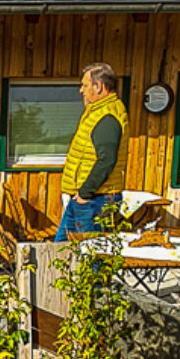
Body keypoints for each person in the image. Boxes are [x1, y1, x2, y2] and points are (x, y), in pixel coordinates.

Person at [55, 62, 129, 240]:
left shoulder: (108, 116)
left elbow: (107, 160)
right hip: (86, 199)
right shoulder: (96, 112)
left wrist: (84, 194)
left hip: (95, 200)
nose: (81, 90)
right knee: (61, 248)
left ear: (99, 86)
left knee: (89, 252)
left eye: (85, 85)